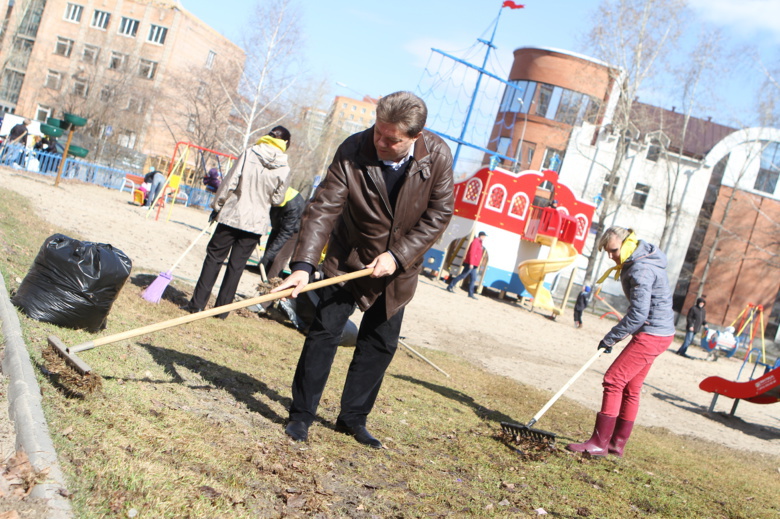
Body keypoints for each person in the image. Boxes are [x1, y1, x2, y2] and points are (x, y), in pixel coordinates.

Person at [272, 91, 454, 448]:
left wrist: (398, 256)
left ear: (416, 137)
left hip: (398, 270)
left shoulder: (438, 156)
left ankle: (353, 419)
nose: (380, 142)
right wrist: (304, 265)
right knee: (324, 333)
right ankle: (301, 416)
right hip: (349, 258)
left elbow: (439, 215)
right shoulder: (353, 150)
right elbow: (324, 207)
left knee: (380, 343)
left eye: (392, 139)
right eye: (377, 132)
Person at [567, 226, 674, 458]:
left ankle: (599, 443)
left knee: (613, 380)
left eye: (613, 250)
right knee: (631, 387)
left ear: (627, 245)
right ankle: (616, 445)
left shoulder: (641, 269)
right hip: (660, 333)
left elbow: (638, 314)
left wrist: (611, 338)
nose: (611, 256)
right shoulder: (642, 260)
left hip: (652, 334)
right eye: (607, 252)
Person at [180, 126, 292, 318]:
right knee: (236, 266)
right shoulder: (285, 167)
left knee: (214, 259)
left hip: (232, 214)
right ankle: (221, 312)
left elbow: (230, 182)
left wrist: (217, 206)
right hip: (255, 223)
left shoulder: (250, 154)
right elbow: (278, 199)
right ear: (286, 144)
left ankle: (197, 305)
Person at [260, 186, 306, 279]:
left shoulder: (293, 205)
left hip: (292, 231)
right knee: (267, 259)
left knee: (277, 259)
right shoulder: (270, 192)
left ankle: (271, 289)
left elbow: (286, 232)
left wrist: (270, 254)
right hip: (278, 226)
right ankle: (264, 288)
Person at [446, 232, 486, 299]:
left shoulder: (479, 243)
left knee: (473, 279)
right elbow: (472, 253)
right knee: (463, 275)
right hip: (471, 263)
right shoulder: (476, 242)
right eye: (484, 236)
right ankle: (450, 286)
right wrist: (471, 263)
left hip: (474, 264)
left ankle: (470, 293)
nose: (484, 238)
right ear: (481, 236)